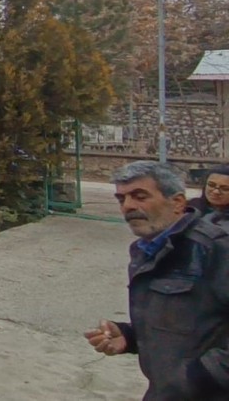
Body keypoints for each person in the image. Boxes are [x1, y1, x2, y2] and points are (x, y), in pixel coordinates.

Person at [84, 160, 229, 401]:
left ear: (177, 202)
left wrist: (198, 377)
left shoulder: (217, 249)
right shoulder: (146, 250)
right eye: (121, 199)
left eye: (140, 196)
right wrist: (130, 336)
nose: (128, 206)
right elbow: (187, 325)